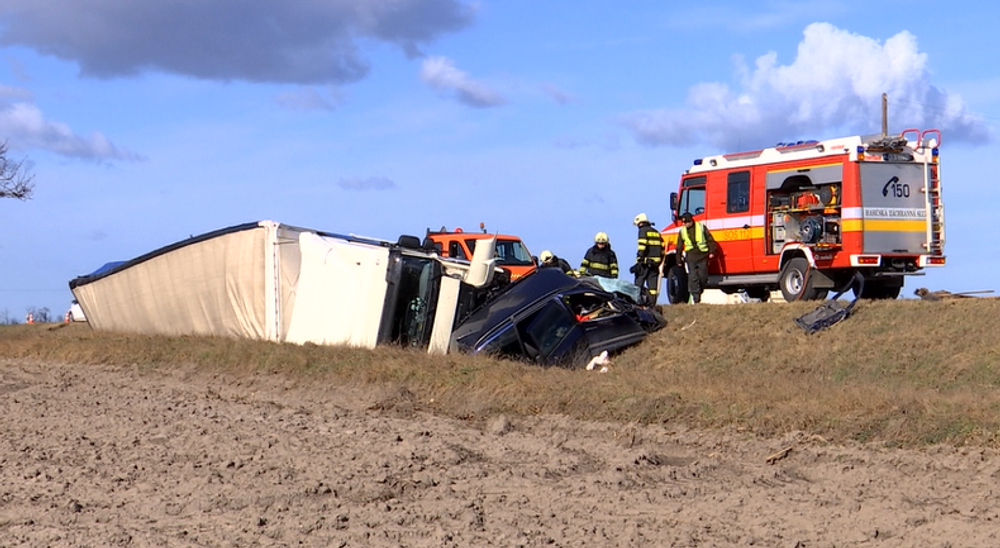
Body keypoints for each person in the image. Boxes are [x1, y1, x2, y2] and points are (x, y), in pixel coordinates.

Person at [674, 212, 717, 304]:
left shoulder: (701, 227)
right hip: (691, 257)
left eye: (686, 222)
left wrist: (712, 251)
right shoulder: (682, 231)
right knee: (693, 277)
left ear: (691, 221)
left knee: (703, 277)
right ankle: (696, 298)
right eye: (683, 222)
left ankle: (699, 290)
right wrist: (678, 259)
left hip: (702, 255)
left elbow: (709, 239)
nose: (684, 224)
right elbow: (679, 246)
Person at [631, 213, 666, 306]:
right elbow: (663, 248)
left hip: (644, 263)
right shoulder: (656, 232)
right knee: (653, 288)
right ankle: (652, 305)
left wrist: (639, 260)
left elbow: (642, 246)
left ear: (640, 223)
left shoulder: (643, 231)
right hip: (655, 264)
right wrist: (658, 261)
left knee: (638, 284)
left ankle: (638, 304)